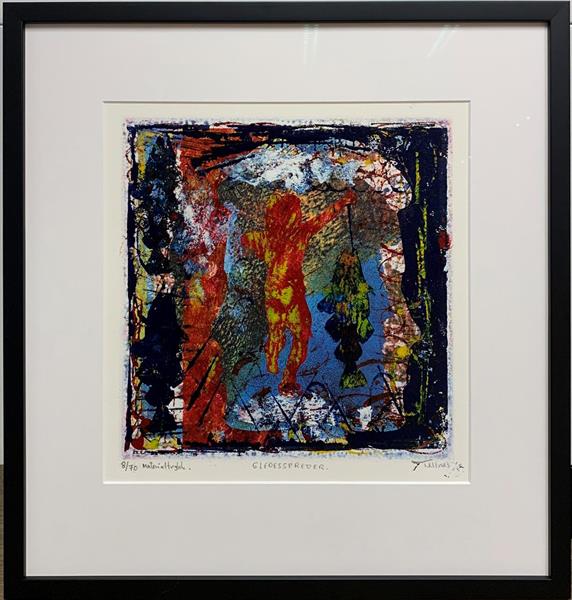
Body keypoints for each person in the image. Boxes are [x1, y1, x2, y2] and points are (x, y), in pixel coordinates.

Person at [242, 188, 357, 395]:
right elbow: (324, 217)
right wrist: (343, 202)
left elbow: (244, 240)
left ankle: (274, 361)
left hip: (274, 292)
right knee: (300, 334)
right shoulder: (299, 233)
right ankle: (287, 375)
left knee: (278, 332)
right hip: (291, 292)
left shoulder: (264, 238)